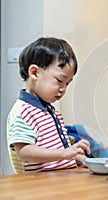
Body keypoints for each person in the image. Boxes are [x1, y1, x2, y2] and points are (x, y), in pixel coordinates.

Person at [7, 37, 90, 173]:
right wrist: (65, 153)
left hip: (59, 181)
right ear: (34, 73)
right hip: (38, 185)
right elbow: (24, 151)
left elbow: (55, 153)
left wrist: (75, 157)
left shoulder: (49, 110)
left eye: (67, 84)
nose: (63, 89)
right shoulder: (23, 112)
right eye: (59, 80)